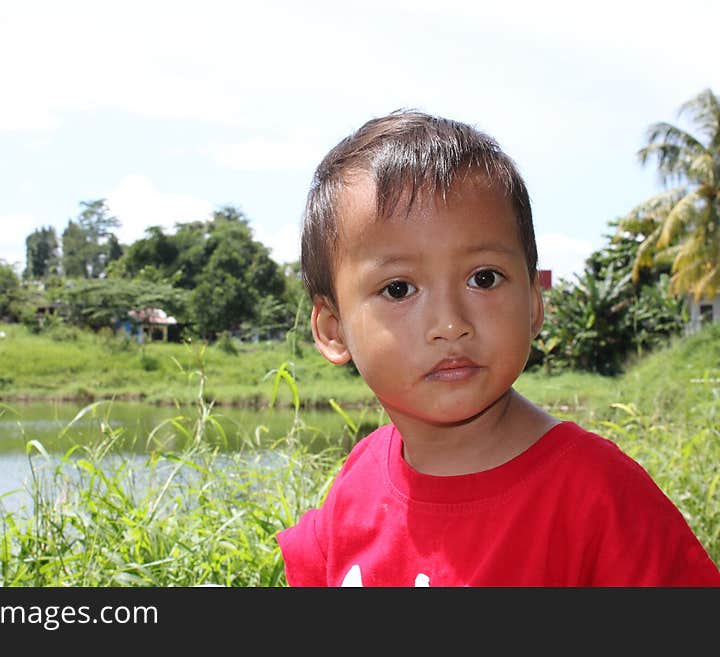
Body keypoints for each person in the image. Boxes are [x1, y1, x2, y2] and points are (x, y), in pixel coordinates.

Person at [276, 109, 720, 587]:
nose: (450, 323)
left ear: (532, 304)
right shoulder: (357, 483)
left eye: (483, 278)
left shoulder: (598, 497)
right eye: (399, 289)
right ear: (333, 329)